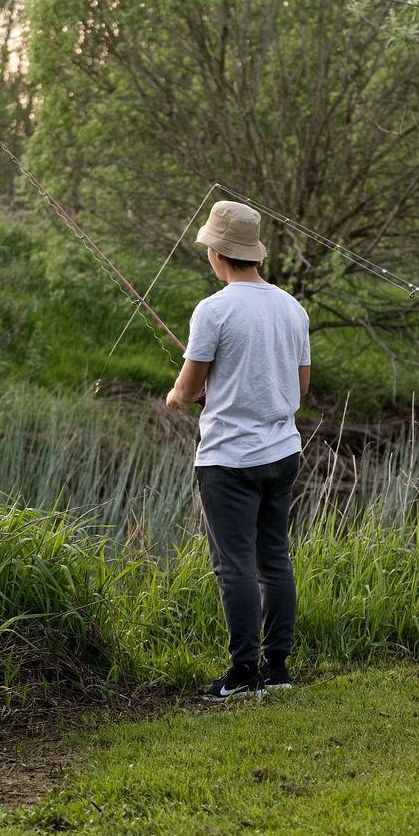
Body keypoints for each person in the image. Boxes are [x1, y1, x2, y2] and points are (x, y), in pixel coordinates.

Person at [165, 199, 311, 700]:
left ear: (216, 253)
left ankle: (244, 673)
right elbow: (300, 386)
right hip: (283, 453)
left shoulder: (213, 310)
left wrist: (176, 395)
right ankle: (278, 668)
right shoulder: (292, 307)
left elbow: (186, 391)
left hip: (228, 460)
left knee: (235, 565)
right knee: (275, 560)